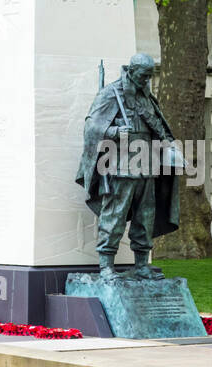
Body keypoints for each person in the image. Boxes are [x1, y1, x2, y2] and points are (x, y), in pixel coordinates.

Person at [75, 53, 181, 280]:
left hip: (147, 165)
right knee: (114, 216)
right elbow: (91, 127)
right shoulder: (111, 94)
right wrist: (114, 132)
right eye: (143, 75)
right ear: (131, 71)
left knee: (146, 217)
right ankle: (106, 266)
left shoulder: (147, 97)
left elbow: (159, 128)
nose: (146, 79)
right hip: (120, 166)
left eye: (149, 76)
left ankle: (142, 265)